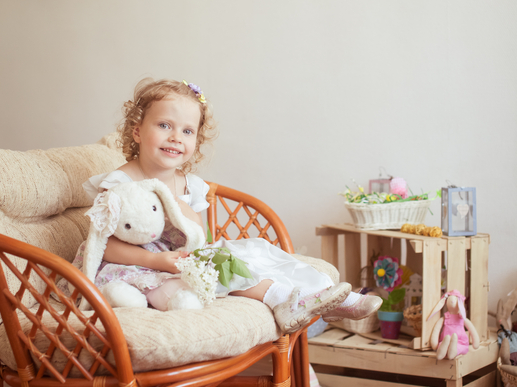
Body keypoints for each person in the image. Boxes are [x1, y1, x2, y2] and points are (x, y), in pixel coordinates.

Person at [77, 78, 381, 334]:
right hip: (137, 267)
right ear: (137, 131)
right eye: (164, 125)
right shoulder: (121, 183)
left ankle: (328, 296)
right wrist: (158, 261)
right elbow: (104, 245)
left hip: (183, 258)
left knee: (257, 252)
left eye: (187, 131)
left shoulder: (189, 185)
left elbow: (199, 236)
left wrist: (184, 215)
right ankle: (284, 300)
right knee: (226, 271)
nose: (176, 137)